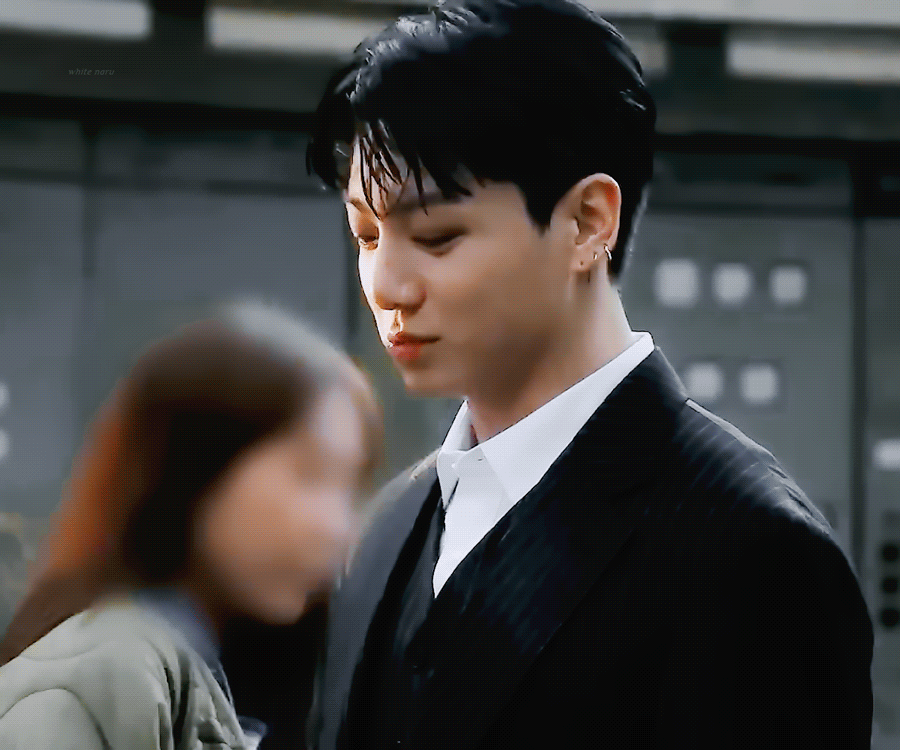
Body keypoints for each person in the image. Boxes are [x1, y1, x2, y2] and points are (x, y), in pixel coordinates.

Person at [303, 1, 875, 749]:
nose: (386, 285)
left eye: (436, 236)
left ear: (586, 223)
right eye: (367, 234)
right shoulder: (386, 532)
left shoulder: (749, 550)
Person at [0, 300, 383, 750]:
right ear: (197, 465)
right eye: (309, 474)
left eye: (349, 488)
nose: (338, 526)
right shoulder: (102, 677)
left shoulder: (249, 675)